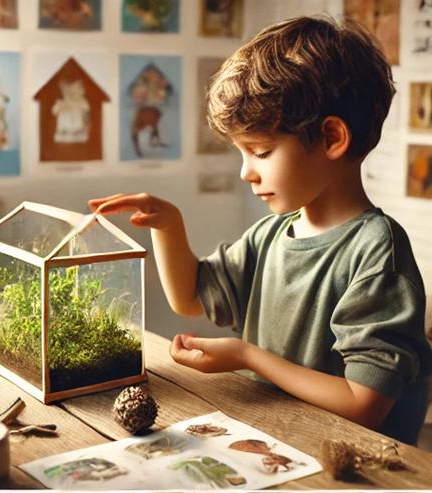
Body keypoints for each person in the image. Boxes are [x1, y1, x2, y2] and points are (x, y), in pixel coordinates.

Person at [89, 16, 432, 444]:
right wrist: (168, 224)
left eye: (261, 151)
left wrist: (249, 356)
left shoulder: (378, 252)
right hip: (280, 442)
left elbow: (363, 403)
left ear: (331, 137)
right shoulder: (271, 234)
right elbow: (190, 296)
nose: (245, 173)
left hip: (356, 464)